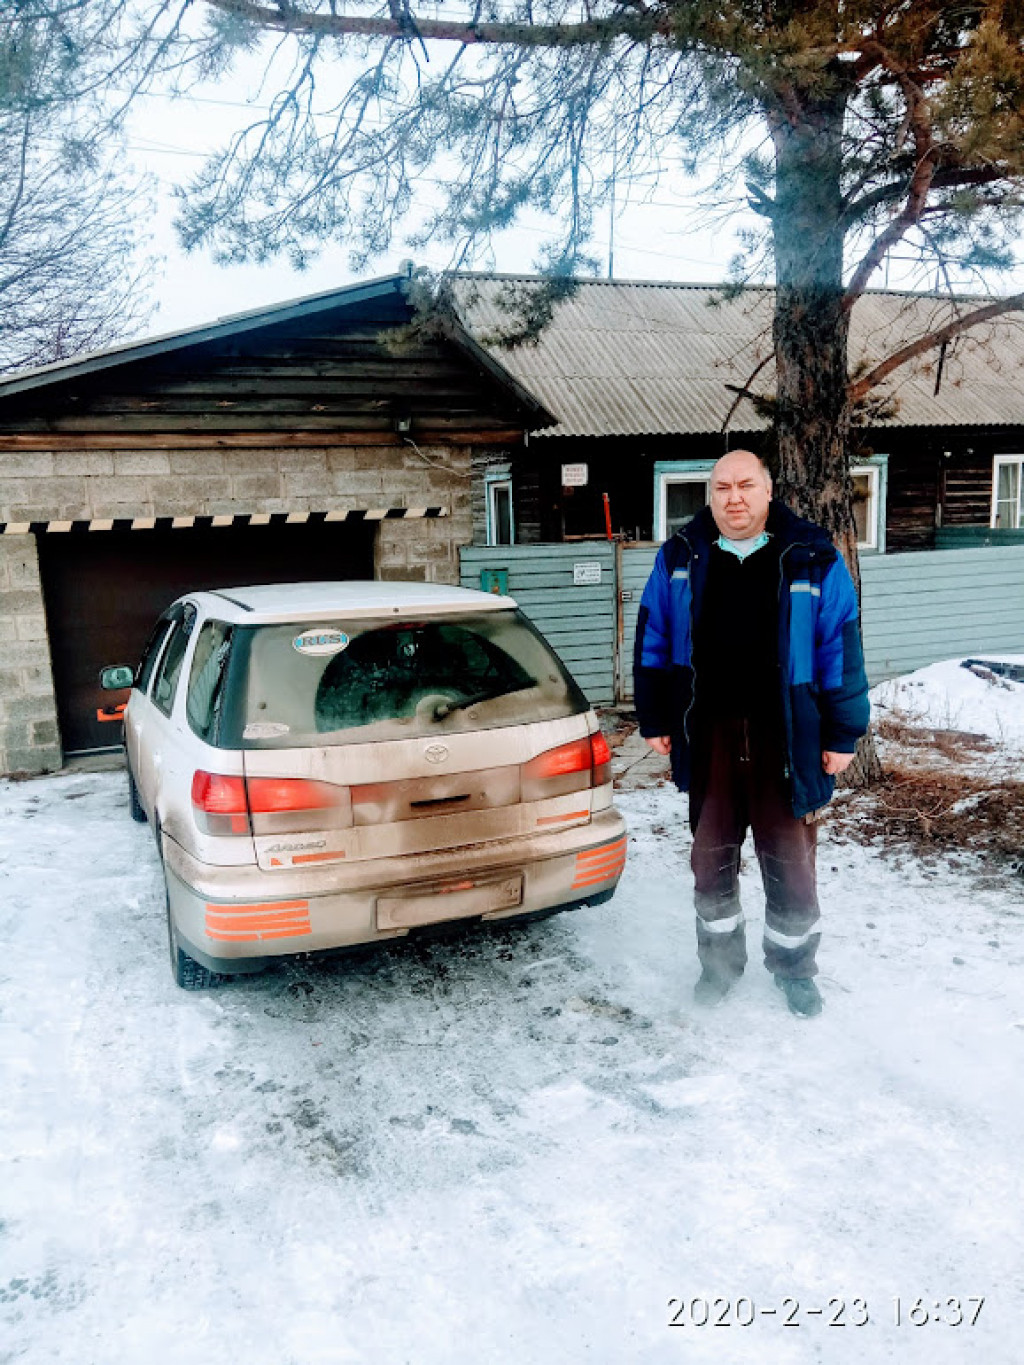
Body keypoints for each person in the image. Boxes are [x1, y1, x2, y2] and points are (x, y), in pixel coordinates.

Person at [634, 450, 870, 1017]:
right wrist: (656, 717)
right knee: (710, 858)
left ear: (767, 491)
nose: (733, 497)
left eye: (745, 485)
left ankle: (794, 968)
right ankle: (719, 965)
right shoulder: (681, 556)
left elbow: (841, 646)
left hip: (787, 736)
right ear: (709, 496)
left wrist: (843, 732)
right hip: (709, 733)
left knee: (790, 863)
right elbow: (653, 639)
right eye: (721, 487)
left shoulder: (811, 557)